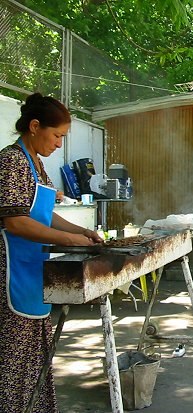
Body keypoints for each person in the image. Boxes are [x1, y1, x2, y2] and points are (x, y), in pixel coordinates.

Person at [0, 93, 103, 412]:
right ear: (34, 126)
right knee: (11, 358)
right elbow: (15, 222)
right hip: (10, 271)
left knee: (35, 356)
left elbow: (43, 215)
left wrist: (80, 230)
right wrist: (68, 241)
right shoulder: (10, 162)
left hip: (33, 270)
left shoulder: (37, 166)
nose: (59, 144)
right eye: (57, 135)